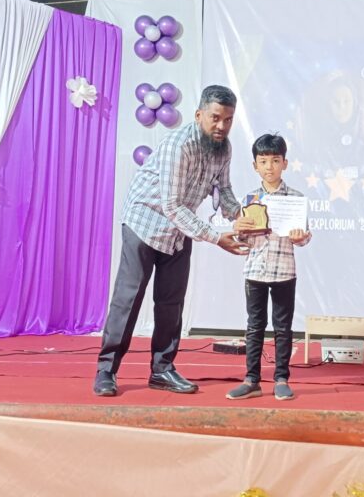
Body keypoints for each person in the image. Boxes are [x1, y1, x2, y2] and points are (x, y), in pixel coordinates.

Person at [94, 85, 252, 397]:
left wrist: (242, 216)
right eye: (215, 118)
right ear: (199, 114)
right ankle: (106, 370)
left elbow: (224, 189)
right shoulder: (179, 145)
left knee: (171, 303)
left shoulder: (224, 147)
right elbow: (172, 205)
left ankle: (162, 370)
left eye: (228, 119)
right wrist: (216, 238)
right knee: (128, 299)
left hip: (180, 229)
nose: (222, 126)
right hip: (145, 222)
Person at [226, 134, 312, 402]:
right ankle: (251, 380)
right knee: (255, 326)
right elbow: (244, 238)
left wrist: (300, 237)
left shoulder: (296, 198)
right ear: (255, 166)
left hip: (284, 270)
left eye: (275, 161)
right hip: (255, 271)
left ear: (285, 163)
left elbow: (304, 237)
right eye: (263, 161)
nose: (269, 167)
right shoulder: (250, 198)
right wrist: (239, 229)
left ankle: (281, 379)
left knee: (283, 327)